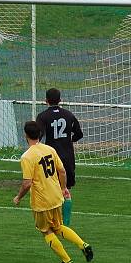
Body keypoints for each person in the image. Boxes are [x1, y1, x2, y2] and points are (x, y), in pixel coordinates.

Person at [13, 121, 93, 263]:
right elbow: (62, 171)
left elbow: (27, 183)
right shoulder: (49, 149)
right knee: (58, 226)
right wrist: (63, 188)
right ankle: (83, 244)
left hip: (42, 202)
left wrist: (18, 197)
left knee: (46, 231)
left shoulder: (27, 157)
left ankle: (66, 260)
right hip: (56, 196)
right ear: (40, 135)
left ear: (25, 135)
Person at [36, 88, 83, 226]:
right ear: (60, 100)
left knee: (51, 189)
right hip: (68, 157)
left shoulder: (43, 117)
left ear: (46, 101)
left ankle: (53, 221)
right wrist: (68, 141)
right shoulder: (69, 115)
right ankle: (66, 224)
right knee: (66, 190)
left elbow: (39, 136)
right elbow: (79, 134)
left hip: (51, 158)